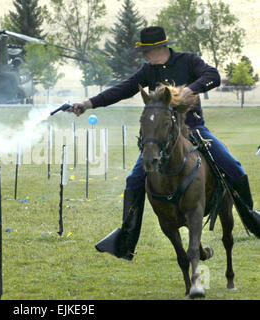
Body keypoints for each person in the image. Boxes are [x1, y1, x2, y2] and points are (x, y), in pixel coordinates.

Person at [71, 26, 260, 260]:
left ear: (158, 48)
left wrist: (187, 90)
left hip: (195, 128)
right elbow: (121, 90)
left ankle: (251, 217)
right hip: (164, 136)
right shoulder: (147, 71)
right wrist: (88, 103)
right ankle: (126, 240)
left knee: (233, 166)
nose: (143, 56)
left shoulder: (188, 61)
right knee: (134, 180)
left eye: (146, 51)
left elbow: (213, 76)